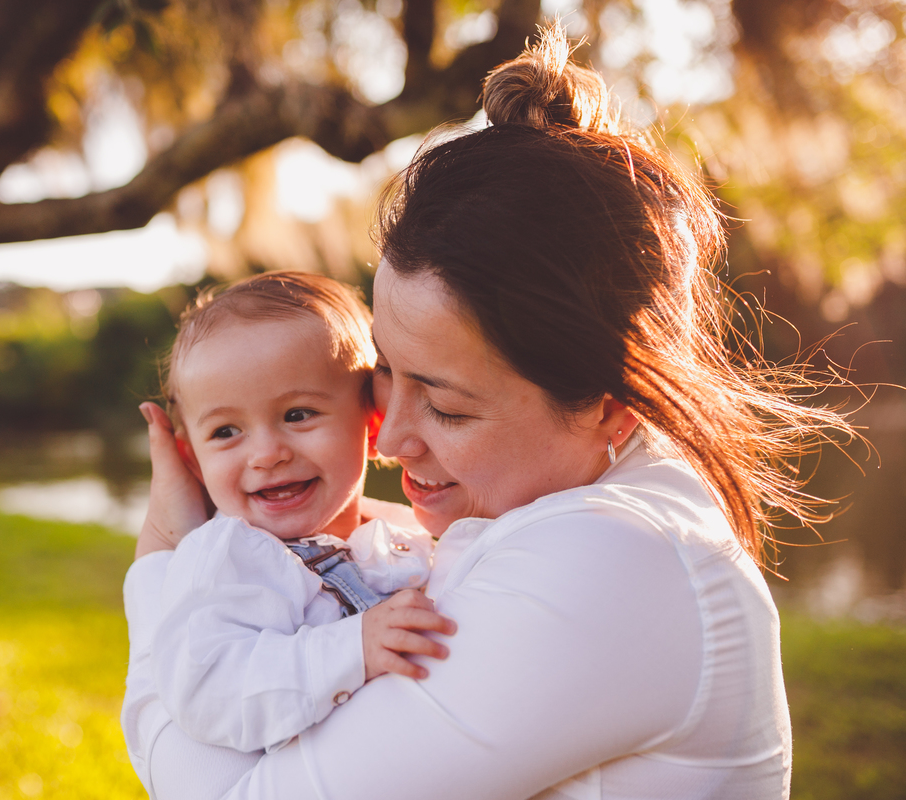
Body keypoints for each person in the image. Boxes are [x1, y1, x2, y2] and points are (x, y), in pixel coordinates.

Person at [124, 25, 853, 800]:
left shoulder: (609, 562)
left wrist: (162, 559)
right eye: (384, 378)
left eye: (445, 406)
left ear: (612, 407)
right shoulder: (554, 508)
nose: (393, 436)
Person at [122, 272, 453, 798]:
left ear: (372, 425)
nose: (267, 453)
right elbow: (206, 689)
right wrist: (351, 649)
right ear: (191, 457)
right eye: (226, 431)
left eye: (297, 415)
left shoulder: (407, 536)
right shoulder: (227, 560)